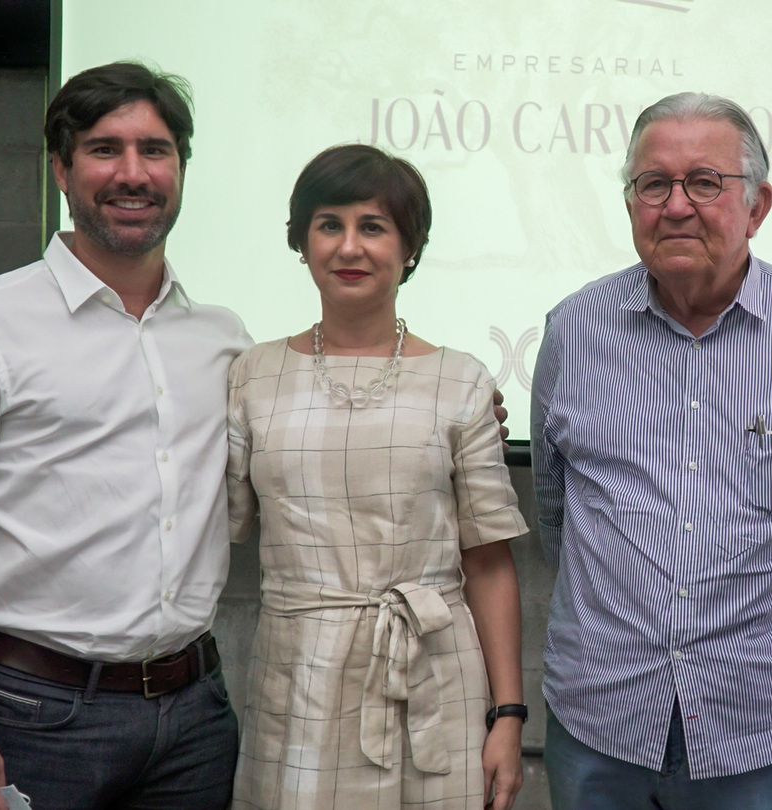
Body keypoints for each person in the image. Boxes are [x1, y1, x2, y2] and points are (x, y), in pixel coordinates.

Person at [0, 62, 250, 809]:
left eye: (155, 150)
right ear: (61, 169)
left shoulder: (224, 338)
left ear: (181, 167)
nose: (133, 173)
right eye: (106, 149)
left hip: (197, 718)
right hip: (30, 716)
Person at [532, 92, 772, 810]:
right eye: (653, 184)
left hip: (760, 731)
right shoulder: (574, 331)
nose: (675, 206)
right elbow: (555, 507)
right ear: (630, 203)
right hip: (599, 720)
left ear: (757, 206)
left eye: (704, 182)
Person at [226, 144, 528, 810]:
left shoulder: (461, 379)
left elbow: (488, 561)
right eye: (329, 225)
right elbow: (220, 525)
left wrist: (508, 714)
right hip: (299, 672)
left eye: (373, 226)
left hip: (434, 675)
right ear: (301, 242)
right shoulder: (252, 375)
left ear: (409, 247)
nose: (349, 247)